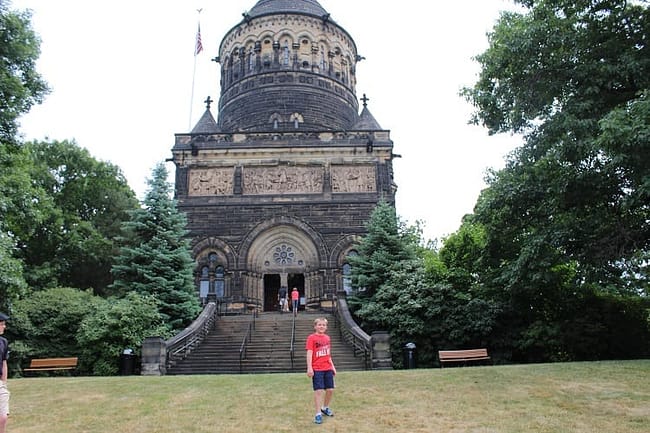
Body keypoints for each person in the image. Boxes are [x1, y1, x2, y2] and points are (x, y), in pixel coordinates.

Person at [305, 317, 336, 425]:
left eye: (323, 325)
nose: (321, 326)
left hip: (327, 367)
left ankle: (325, 408)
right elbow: (309, 353)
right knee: (319, 391)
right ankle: (318, 414)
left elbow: (328, 354)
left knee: (330, 389)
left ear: (326, 327)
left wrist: (332, 366)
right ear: (315, 326)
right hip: (317, 368)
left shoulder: (327, 338)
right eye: (319, 324)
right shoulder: (311, 338)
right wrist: (309, 367)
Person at [0, 312, 10, 433]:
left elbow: (4, 363)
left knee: (3, 417)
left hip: (0, 384)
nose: (4, 326)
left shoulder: (3, 342)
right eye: (2, 324)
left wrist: (4, 383)